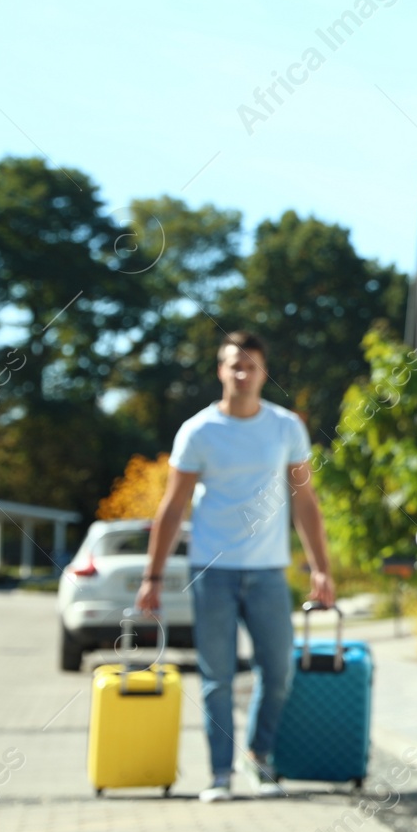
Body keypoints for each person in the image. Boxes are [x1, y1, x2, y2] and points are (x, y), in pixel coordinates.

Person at [136, 330, 336, 802]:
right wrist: (153, 577)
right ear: (221, 370)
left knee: (279, 670)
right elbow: (172, 505)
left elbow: (305, 501)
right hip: (212, 571)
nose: (243, 373)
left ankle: (258, 758)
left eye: (252, 365)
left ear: (264, 373)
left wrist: (320, 568)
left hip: (268, 571)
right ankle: (219, 775)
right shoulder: (198, 431)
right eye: (234, 364)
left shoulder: (286, 427)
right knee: (217, 678)